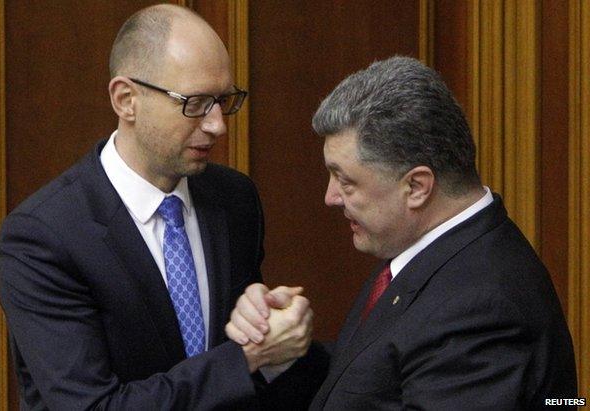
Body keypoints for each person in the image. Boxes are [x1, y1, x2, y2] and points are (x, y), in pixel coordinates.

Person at [0, 4, 314, 410]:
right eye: (195, 103)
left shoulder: (235, 200)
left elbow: (242, 374)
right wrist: (249, 356)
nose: (218, 124)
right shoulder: (43, 236)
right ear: (126, 100)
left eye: (224, 101)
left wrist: (268, 326)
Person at [227, 56, 578, 409]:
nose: (330, 197)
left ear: (416, 187)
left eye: (346, 181)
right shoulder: (428, 251)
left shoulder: (482, 308)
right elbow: (370, 377)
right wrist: (280, 355)